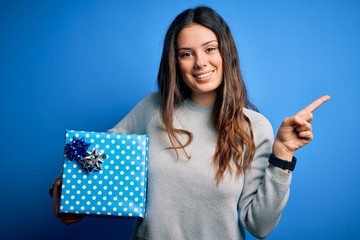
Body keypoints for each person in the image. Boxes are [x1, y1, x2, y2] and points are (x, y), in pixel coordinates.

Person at [50, 6, 330, 239]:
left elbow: (259, 226)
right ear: (175, 61)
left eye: (210, 49)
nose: (200, 62)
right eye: (186, 53)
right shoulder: (153, 108)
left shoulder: (255, 127)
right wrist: (63, 188)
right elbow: (94, 157)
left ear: (226, 54)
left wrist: (283, 155)